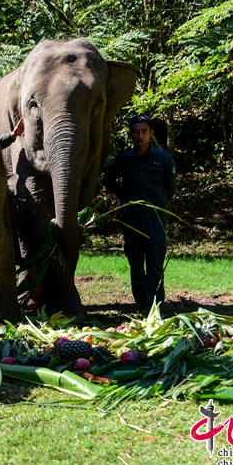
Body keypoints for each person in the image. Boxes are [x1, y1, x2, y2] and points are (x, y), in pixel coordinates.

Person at [102, 114, 177, 316]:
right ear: (131, 134)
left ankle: (155, 308)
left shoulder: (163, 158)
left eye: (144, 131)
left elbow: (171, 187)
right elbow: (108, 180)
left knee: (155, 264)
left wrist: (157, 202)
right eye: (136, 131)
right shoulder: (124, 159)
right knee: (136, 263)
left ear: (151, 133)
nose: (140, 135)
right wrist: (125, 196)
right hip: (132, 220)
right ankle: (141, 305)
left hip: (155, 219)